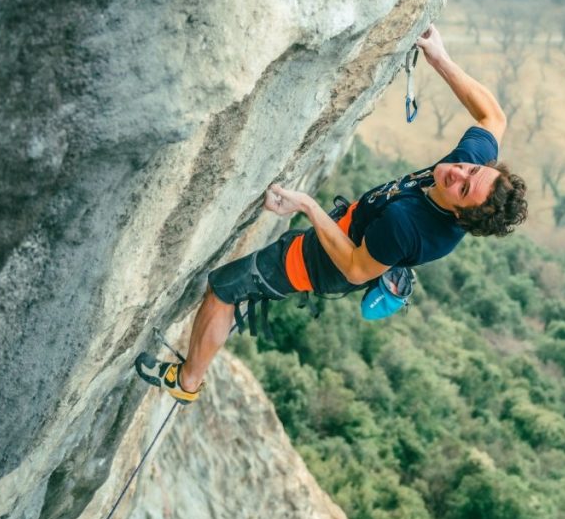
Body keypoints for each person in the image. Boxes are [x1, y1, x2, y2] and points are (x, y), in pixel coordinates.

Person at [137, 24, 528, 403]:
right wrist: (440, 58)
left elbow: (356, 269)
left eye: (462, 187)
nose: (457, 171)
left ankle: (187, 382)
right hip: (356, 233)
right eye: (472, 170)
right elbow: (494, 117)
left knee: (224, 288)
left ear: (462, 217)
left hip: (322, 263)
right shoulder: (475, 173)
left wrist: (307, 205)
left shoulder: (409, 227)